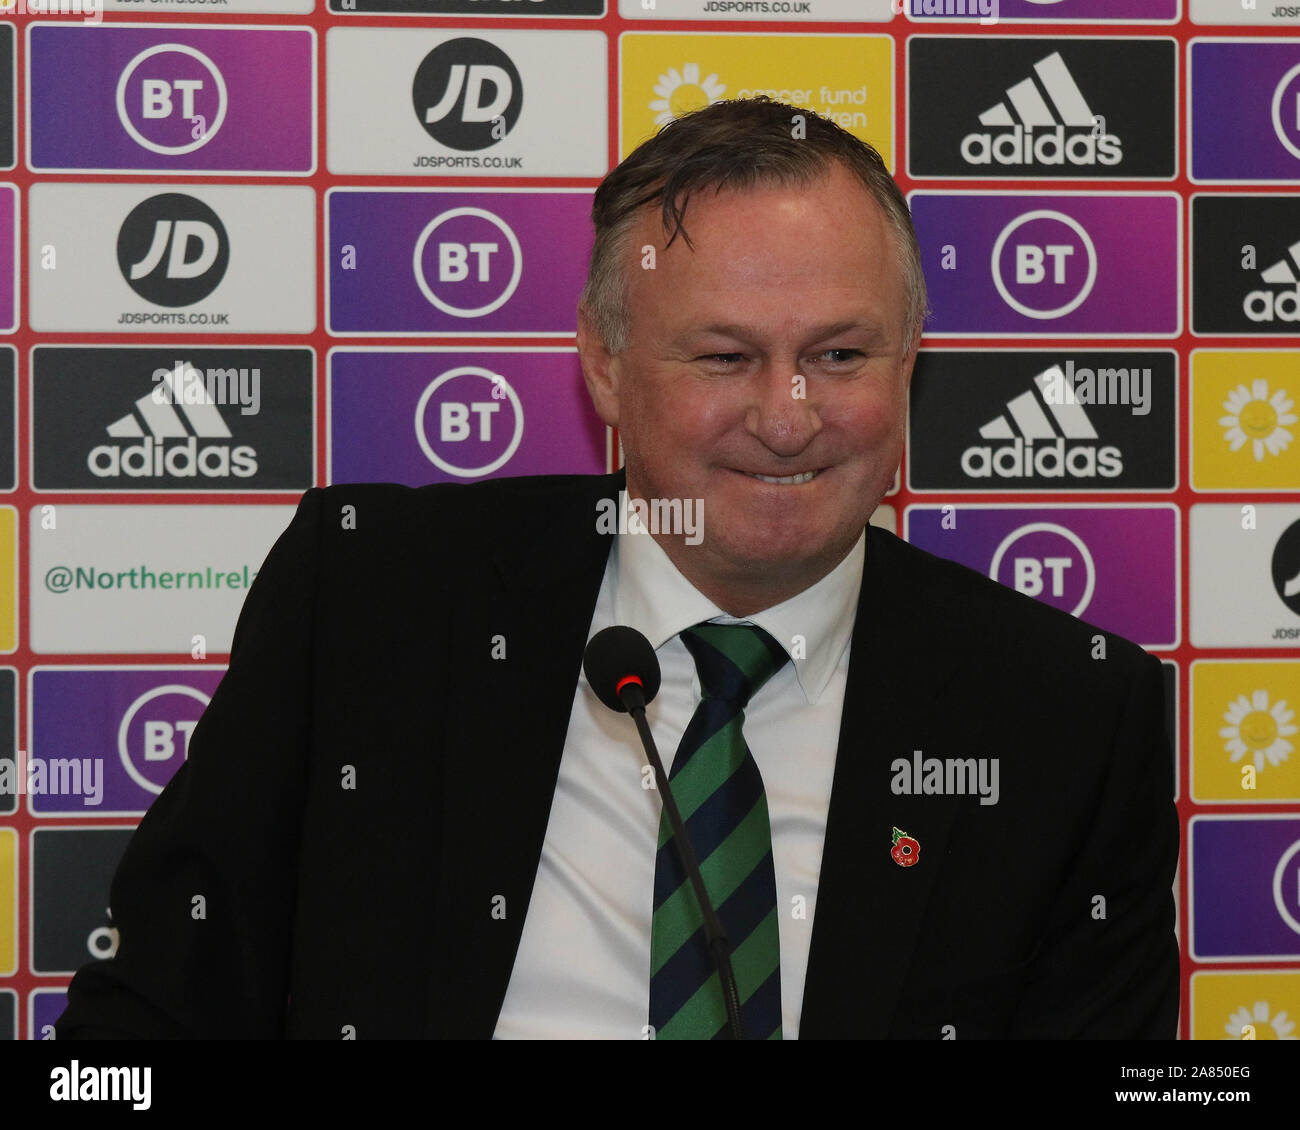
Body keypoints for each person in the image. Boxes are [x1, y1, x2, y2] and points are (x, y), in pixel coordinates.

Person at [55, 97, 1178, 1040]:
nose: (786, 418)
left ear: (908, 363)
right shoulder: (374, 602)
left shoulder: (1066, 714)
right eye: (725, 356)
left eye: (839, 355)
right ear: (604, 363)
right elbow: (148, 1015)